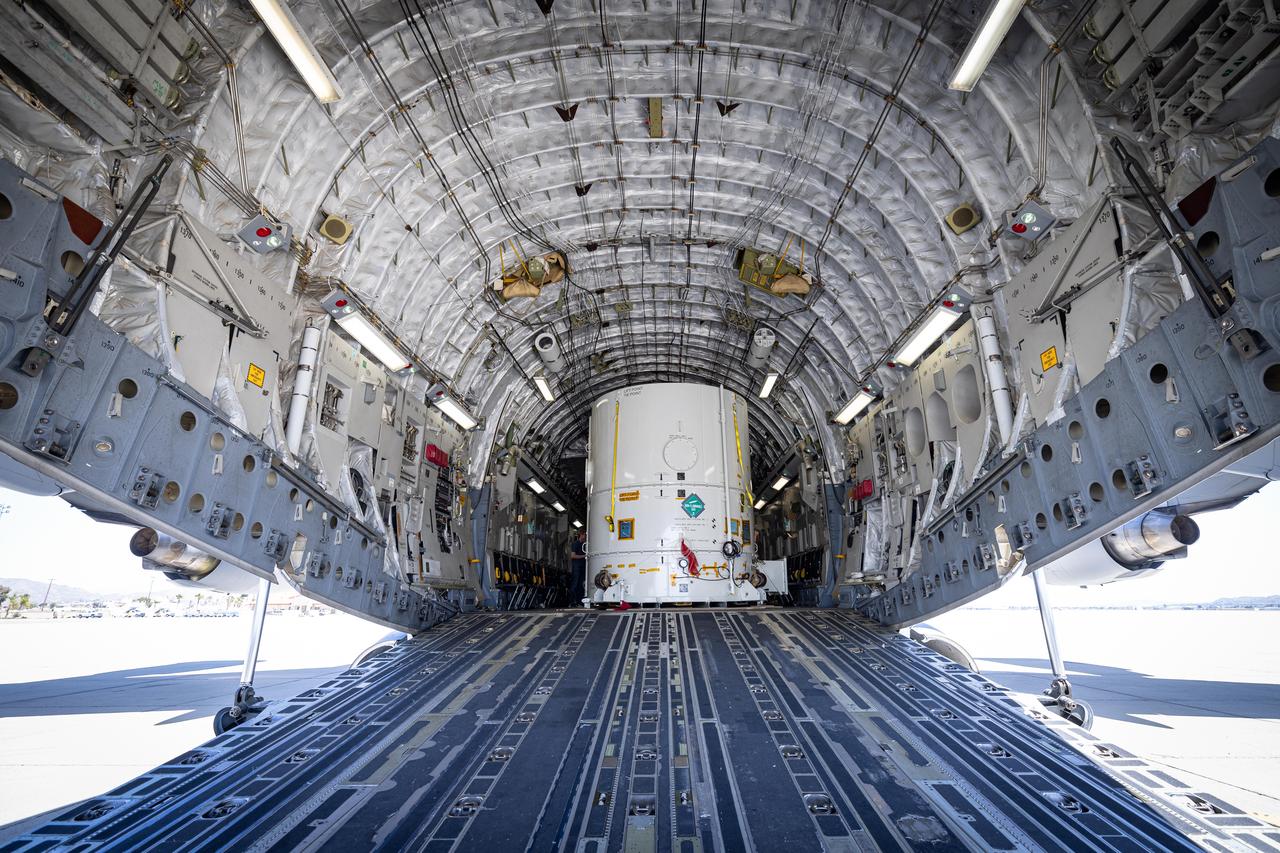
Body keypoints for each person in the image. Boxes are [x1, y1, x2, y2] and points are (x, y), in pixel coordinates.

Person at [570, 531, 587, 604]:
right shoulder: (575, 544)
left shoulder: (585, 544)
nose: (586, 536)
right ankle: (572, 601)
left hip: (582, 567)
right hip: (577, 566)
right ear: (581, 535)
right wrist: (584, 556)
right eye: (585, 535)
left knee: (581, 585)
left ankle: (579, 601)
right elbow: (573, 556)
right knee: (575, 584)